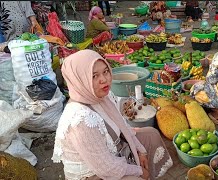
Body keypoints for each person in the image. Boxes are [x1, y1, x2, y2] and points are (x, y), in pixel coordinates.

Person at [52, 49, 173, 180]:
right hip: (94, 174)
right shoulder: (80, 120)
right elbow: (107, 168)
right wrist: (140, 171)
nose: (104, 80)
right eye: (94, 76)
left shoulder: (103, 97)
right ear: (80, 81)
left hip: (113, 151)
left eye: (105, 72)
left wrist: (141, 151)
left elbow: (123, 126)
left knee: (151, 134)